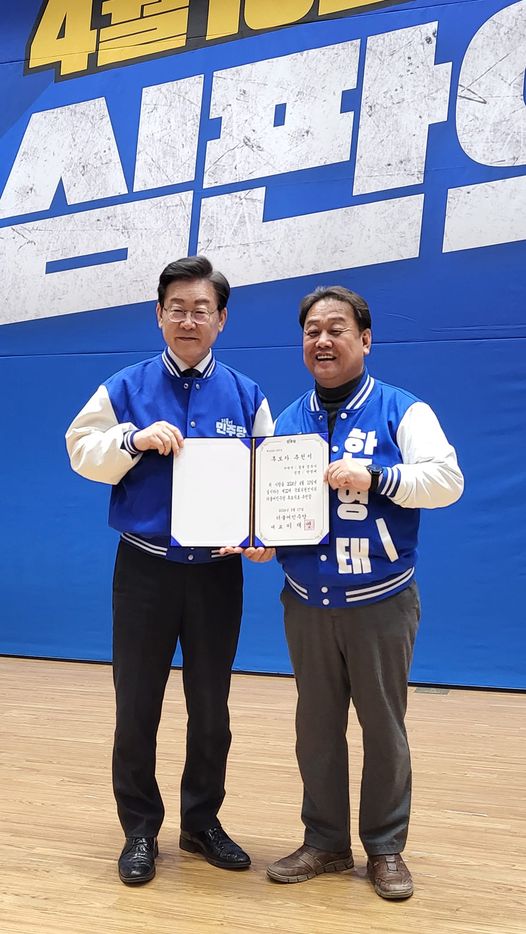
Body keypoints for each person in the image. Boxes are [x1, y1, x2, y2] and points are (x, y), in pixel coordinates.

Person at [66, 256, 273, 885]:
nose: (188, 320)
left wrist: (262, 536)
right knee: (137, 705)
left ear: (221, 319)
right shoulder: (125, 388)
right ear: (159, 315)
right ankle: (139, 830)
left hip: (216, 575)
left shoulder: (247, 395)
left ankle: (201, 823)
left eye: (200, 309)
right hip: (145, 572)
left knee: (212, 708)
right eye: (177, 309)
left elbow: (269, 480)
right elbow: (80, 450)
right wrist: (132, 439)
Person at [264, 285, 464, 898]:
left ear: (366, 339)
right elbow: (273, 505)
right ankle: (325, 842)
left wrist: (375, 476)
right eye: (312, 331)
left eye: (337, 329)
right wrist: (260, 537)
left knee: (384, 729)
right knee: (315, 729)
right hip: (306, 602)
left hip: (381, 602)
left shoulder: (405, 410)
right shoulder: (286, 422)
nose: (322, 340)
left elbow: (446, 480)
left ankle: (385, 848)